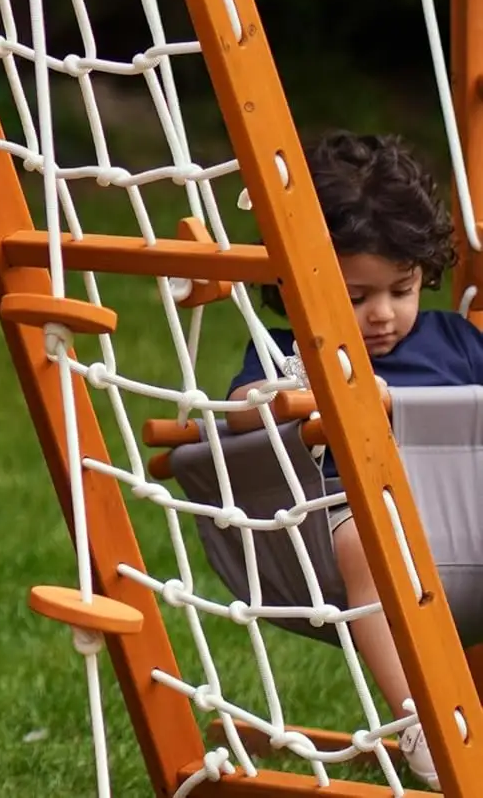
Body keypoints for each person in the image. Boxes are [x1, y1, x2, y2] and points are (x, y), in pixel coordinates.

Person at [228, 132, 476, 788]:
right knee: (365, 537)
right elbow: (243, 413)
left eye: (403, 288)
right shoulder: (290, 354)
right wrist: (288, 397)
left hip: (464, 525)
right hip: (348, 534)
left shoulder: (456, 342)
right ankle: (420, 716)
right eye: (356, 297)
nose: (383, 316)